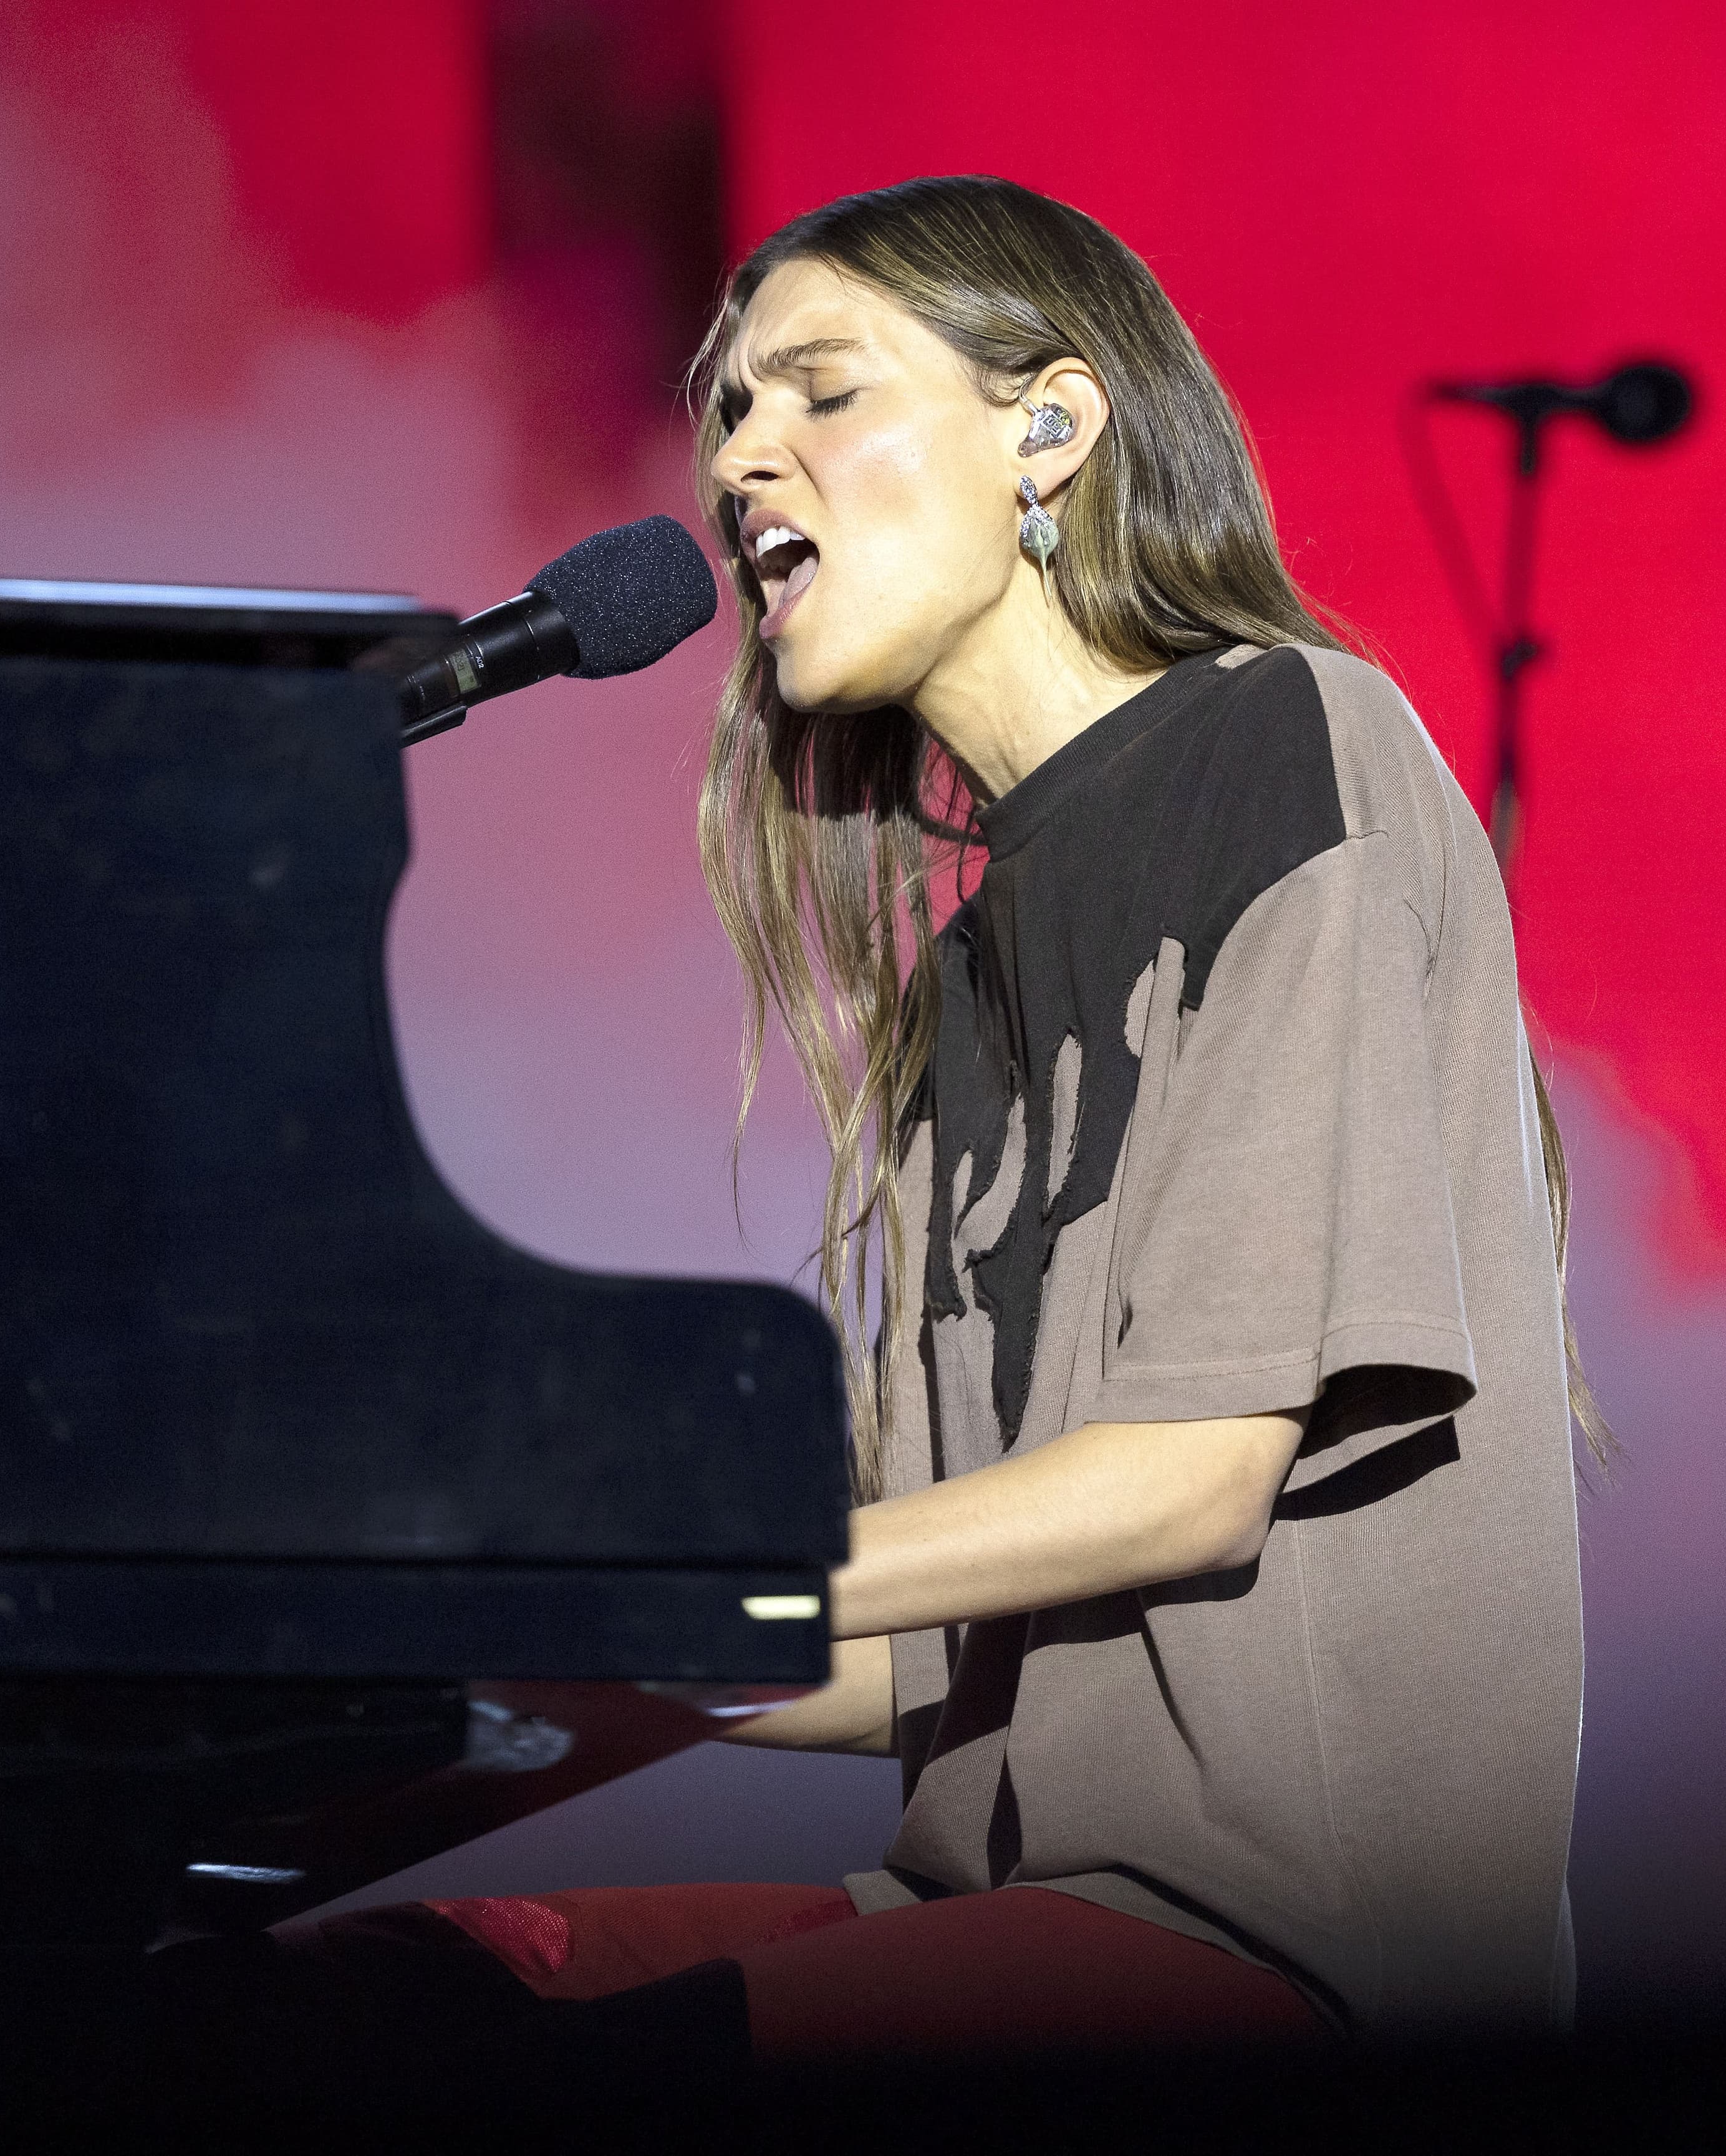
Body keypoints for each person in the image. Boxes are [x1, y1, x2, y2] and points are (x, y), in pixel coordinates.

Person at [153, 173, 1601, 2134]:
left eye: (819, 391)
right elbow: (908, 1650)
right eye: (731, 411)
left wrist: (654, 1593)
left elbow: (1185, 1481)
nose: (746, 454)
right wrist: (429, 1687)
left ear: (1052, 428)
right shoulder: (970, 963)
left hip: (1273, 1955)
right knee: (283, 2025)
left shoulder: (1283, 742)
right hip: (984, 1896)